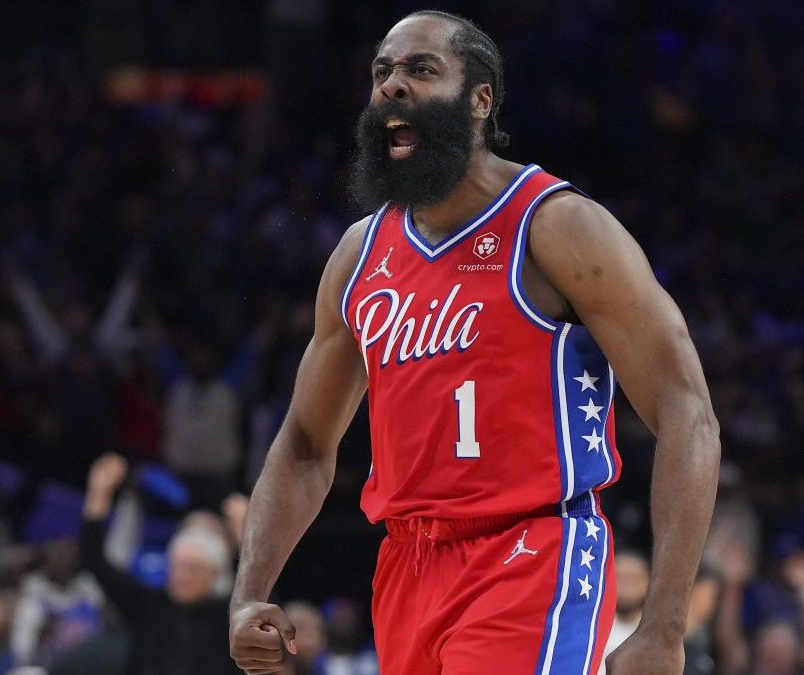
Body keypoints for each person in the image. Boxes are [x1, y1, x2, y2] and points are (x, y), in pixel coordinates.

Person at [229, 10, 720, 675]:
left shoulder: (556, 225)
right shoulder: (359, 255)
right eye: (382, 72)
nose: (392, 85)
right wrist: (248, 593)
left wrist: (664, 624)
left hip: (533, 552)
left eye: (421, 69)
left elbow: (687, 409)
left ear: (480, 99)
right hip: (406, 566)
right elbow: (305, 444)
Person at [81, 452, 241, 675]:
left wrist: (245, 538)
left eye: (192, 569)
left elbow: (262, 604)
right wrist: (98, 495)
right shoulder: (149, 604)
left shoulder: (228, 617)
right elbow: (96, 562)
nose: (182, 576)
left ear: (213, 574)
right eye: (177, 566)